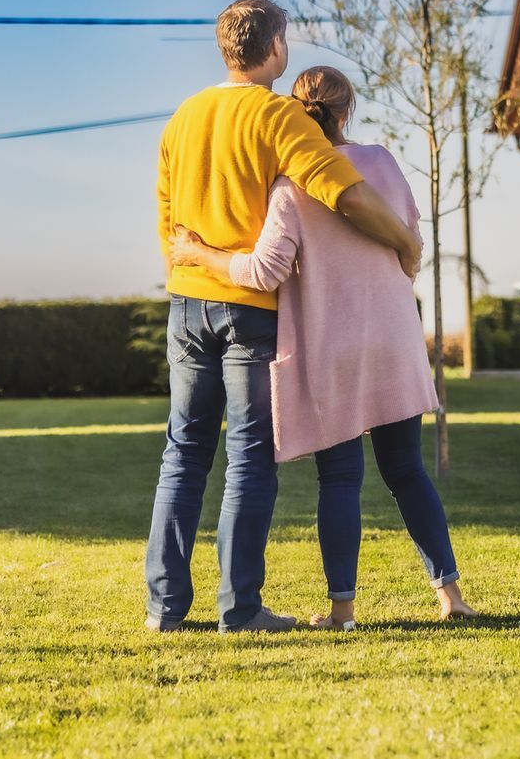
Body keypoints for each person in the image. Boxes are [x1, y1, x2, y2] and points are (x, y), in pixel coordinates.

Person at [148, 0, 423, 635]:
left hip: (186, 304)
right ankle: (238, 610)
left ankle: (164, 609)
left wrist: (195, 258)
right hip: (249, 309)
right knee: (247, 456)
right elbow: (345, 194)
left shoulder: (182, 119)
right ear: (274, 48)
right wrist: (405, 244)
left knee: (183, 452)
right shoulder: (277, 115)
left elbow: (170, 226)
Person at [170, 66, 475, 628]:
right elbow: (411, 237)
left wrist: (199, 253)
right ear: (347, 111)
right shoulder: (383, 163)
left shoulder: (289, 187)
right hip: (393, 338)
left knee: (340, 479)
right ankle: (451, 597)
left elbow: (264, 272)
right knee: (407, 470)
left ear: (295, 114)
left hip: (331, 349)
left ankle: (343, 611)